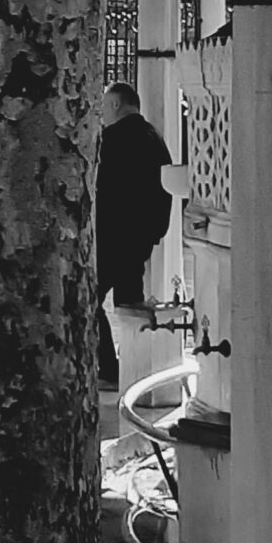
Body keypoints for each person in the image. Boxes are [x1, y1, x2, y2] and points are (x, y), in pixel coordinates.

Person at [96, 78, 173, 385]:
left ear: (116, 104)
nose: (102, 113)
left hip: (111, 236)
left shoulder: (111, 139)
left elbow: (103, 190)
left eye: (104, 106)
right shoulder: (154, 138)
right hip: (139, 239)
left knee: (90, 301)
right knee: (129, 302)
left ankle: (109, 368)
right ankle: (136, 370)